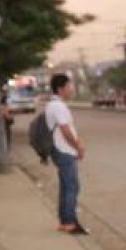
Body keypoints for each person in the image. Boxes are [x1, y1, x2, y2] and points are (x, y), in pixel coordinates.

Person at [44, 74, 88, 235]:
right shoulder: (58, 106)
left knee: (66, 186)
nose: (71, 89)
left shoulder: (54, 105)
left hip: (60, 149)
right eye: (69, 86)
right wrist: (78, 147)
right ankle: (69, 221)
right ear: (60, 88)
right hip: (64, 150)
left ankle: (64, 221)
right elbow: (65, 130)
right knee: (72, 187)